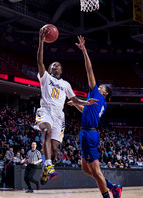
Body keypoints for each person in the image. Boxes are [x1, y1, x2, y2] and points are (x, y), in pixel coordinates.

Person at [36, 27, 97, 185]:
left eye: (58, 65)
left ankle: (47, 167)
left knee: (55, 148)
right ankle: (48, 166)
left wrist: (86, 102)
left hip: (59, 116)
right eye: (53, 64)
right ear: (50, 69)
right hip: (45, 111)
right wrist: (41, 42)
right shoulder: (45, 77)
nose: (56, 66)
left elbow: (75, 100)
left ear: (61, 70)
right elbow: (39, 61)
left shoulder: (65, 84)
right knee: (46, 130)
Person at [67, 36, 122, 198]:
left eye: (102, 86)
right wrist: (76, 104)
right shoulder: (101, 103)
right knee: (85, 169)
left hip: (89, 134)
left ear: (105, 92)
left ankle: (109, 194)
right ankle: (113, 186)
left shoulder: (96, 94)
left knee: (96, 171)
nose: (99, 85)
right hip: (89, 132)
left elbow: (89, 70)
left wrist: (84, 51)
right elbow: (85, 110)